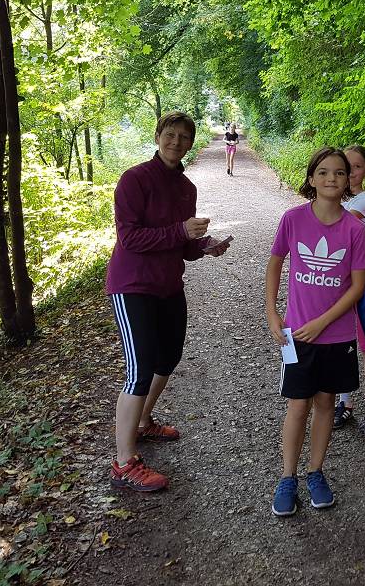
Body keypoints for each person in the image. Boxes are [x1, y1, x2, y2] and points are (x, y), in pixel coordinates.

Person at [107, 112, 232, 492]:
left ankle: (143, 423)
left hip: (168, 286)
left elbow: (182, 245)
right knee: (140, 370)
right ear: (158, 135)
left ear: (191, 143)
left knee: (168, 358)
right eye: (170, 134)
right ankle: (124, 463)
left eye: (184, 137)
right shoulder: (134, 179)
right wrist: (180, 231)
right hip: (132, 286)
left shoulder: (186, 188)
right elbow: (130, 238)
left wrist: (204, 246)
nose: (176, 142)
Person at [266, 147, 365, 516]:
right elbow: (275, 263)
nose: (331, 178)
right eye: (323, 172)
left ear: (349, 180)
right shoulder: (293, 219)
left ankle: (315, 472)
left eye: (340, 173)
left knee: (326, 402)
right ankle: (287, 477)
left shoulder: (354, 229)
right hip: (297, 336)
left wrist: (323, 322)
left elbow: (358, 287)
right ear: (311, 178)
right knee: (298, 405)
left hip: (337, 337)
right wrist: (272, 312)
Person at [333, 144, 365, 435]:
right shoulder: (338, 199)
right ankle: (345, 401)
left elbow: (336, 226)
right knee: (343, 342)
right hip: (338, 279)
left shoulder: (363, 201)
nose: (351, 172)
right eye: (347, 166)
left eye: (357, 167)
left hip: (361, 278)